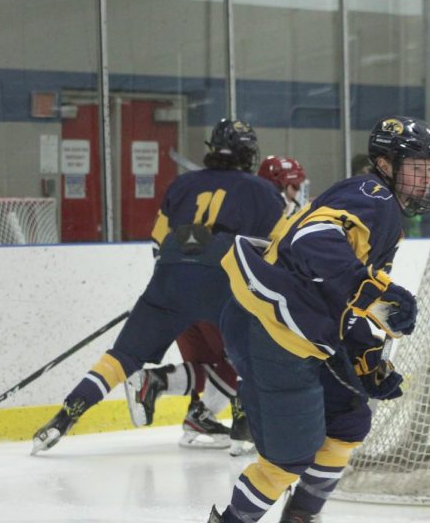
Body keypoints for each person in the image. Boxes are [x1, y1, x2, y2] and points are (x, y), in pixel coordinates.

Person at [207, 116, 430, 523]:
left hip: (283, 325)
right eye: (415, 167)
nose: (424, 179)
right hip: (275, 332)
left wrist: (363, 352)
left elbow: (336, 292)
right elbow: (312, 242)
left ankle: (300, 517)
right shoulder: (374, 196)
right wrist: (373, 292)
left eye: (429, 169)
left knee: (348, 421)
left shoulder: (376, 204)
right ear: (386, 165)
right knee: (287, 461)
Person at [31, 119, 285, 454]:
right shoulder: (263, 192)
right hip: (223, 280)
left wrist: (178, 280)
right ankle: (243, 427)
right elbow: (279, 251)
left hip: (169, 276)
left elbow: (157, 242)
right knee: (248, 352)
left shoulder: (181, 186)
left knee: (121, 358)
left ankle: (64, 417)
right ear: (248, 154)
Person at [125, 155, 309, 456]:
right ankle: (242, 428)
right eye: (293, 187)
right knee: (249, 360)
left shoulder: (236, 204)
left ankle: (191, 409)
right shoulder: (268, 213)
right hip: (219, 305)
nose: (297, 194)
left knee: (216, 367)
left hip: (185, 301)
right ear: (280, 186)